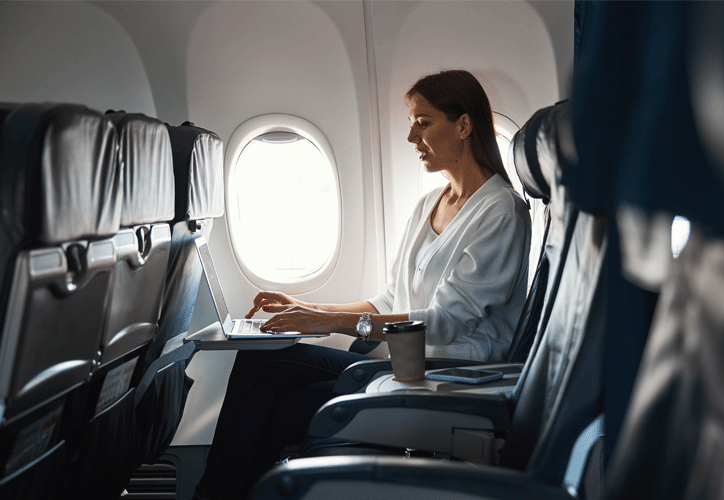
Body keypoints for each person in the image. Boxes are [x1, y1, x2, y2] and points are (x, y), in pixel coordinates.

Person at [192, 69, 531, 500]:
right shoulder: (430, 203)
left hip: (446, 375)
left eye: (423, 122)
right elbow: (389, 300)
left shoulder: (502, 212)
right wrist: (308, 310)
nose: (411, 137)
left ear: (463, 125)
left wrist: (329, 322)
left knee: (270, 380)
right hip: (405, 367)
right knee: (262, 371)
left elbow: (445, 322)